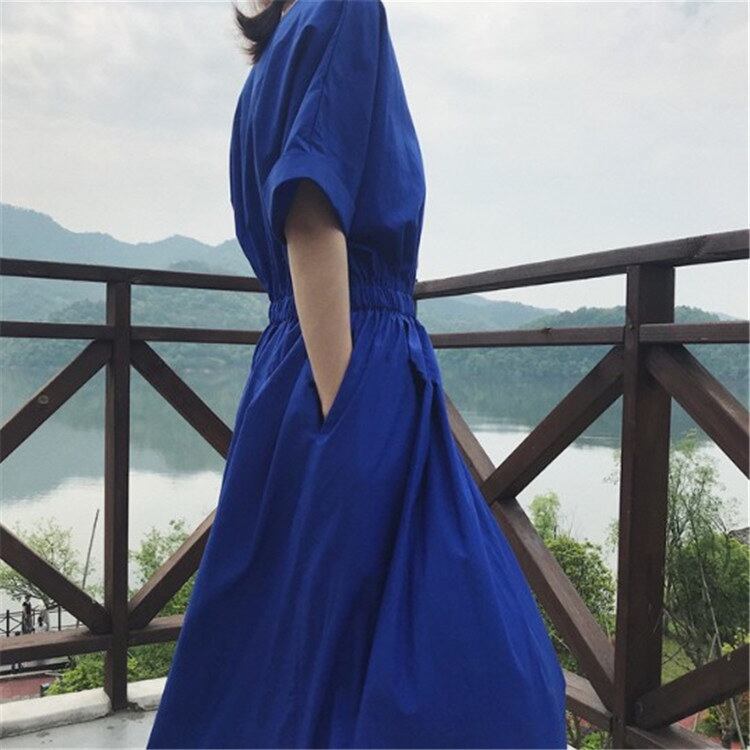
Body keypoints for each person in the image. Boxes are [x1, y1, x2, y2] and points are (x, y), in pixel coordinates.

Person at [147, 1, 568, 748]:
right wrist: (344, 408)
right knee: (474, 653)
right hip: (352, 361)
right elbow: (309, 213)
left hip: (292, 364)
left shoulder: (267, 66)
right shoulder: (345, 7)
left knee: (288, 644)